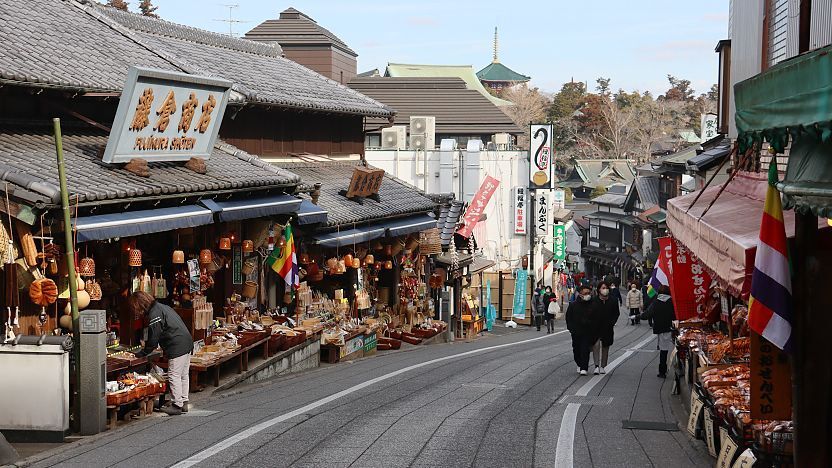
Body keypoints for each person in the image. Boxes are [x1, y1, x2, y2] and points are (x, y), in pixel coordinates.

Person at [129, 291, 193, 415]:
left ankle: (177, 405)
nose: (136, 311)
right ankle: (184, 401)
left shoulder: (154, 314)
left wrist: (143, 352)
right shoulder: (162, 307)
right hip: (186, 341)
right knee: (183, 375)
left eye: (136, 308)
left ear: (140, 305)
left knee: (174, 375)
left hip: (177, 345)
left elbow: (153, 337)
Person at [640, 285, 676, 378]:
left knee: (663, 351)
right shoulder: (672, 302)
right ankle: (678, 369)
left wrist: (637, 316)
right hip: (673, 328)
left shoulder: (656, 302)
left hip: (661, 329)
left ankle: (662, 372)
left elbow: (647, 314)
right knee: (676, 350)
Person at [566, 284, 596, 375]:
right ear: (580, 294)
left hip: (588, 331)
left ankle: (584, 367)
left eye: (588, 293)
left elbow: (597, 317)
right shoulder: (573, 305)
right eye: (585, 293)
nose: (587, 295)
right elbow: (568, 318)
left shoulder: (593, 304)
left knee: (585, 349)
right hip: (576, 331)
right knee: (576, 349)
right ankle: (579, 363)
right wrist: (571, 329)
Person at [591, 281, 620, 374]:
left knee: (605, 346)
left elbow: (616, 313)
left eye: (606, 288)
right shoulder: (594, 301)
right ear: (599, 289)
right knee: (595, 345)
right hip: (595, 327)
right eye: (603, 288)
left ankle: (603, 366)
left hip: (607, 327)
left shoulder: (613, 300)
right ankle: (596, 365)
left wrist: (612, 322)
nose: (605, 290)